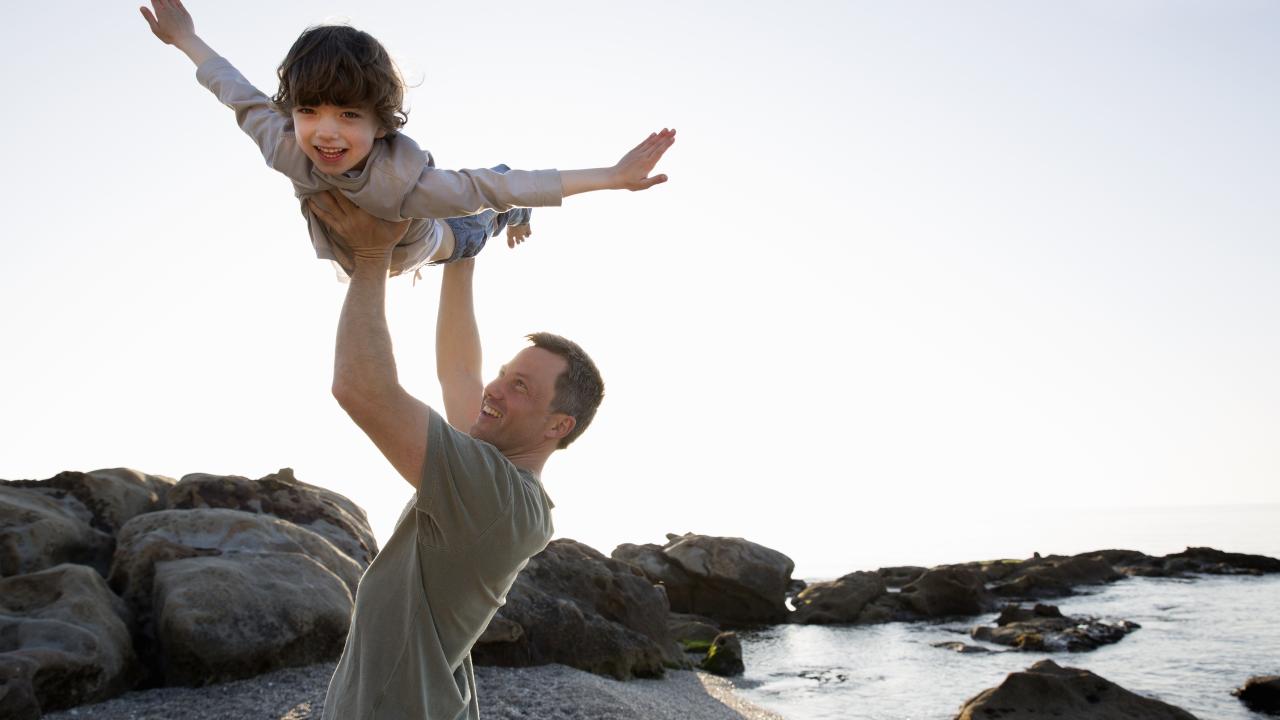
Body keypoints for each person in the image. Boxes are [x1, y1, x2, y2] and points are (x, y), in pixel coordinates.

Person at [308, 188, 606, 718]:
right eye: (504, 373)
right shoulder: (501, 475)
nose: (495, 389)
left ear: (559, 425)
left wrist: (372, 257)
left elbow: (359, 387)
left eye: (521, 387)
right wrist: (465, 248)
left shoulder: (496, 496)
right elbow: (460, 372)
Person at [140, 0, 675, 276]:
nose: (325, 132)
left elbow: (495, 187)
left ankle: (516, 224)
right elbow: (236, 91)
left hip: (441, 243)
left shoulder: (412, 187)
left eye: (348, 115)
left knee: (492, 204)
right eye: (309, 110)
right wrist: (186, 38)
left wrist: (610, 177)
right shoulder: (283, 143)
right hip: (367, 253)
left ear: (381, 124)